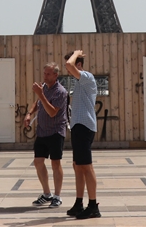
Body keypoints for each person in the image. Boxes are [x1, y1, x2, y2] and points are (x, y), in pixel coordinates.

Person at [23, 63, 68, 208]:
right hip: (42, 131)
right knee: (38, 161)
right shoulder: (43, 88)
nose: (45, 76)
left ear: (55, 75)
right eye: (44, 73)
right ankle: (46, 193)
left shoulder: (60, 92)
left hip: (56, 131)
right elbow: (38, 103)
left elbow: (52, 112)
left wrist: (41, 94)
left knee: (56, 163)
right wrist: (29, 113)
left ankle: (57, 196)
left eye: (48, 74)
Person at [64, 50, 101, 219]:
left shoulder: (87, 76)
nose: (68, 71)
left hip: (84, 126)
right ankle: (79, 203)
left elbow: (68, 65)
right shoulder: (78, 81)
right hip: (78, 126)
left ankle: (93, 205)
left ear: (78, 65)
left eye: (72, 65)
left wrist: (76, 53)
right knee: (78, 166)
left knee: (87, 166)